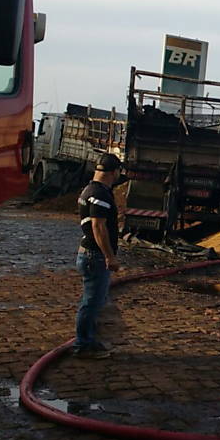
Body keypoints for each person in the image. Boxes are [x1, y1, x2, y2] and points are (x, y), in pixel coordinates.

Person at [73, 153, 123, 359]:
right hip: (95, 256)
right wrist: (109, 256)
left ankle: (88, 340)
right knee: (91, 303)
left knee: (94, 300)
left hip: (89, 254)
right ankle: (83, 345)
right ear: (114, 172)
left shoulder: (90, 190)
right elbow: (98, 227)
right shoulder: (100, 194)